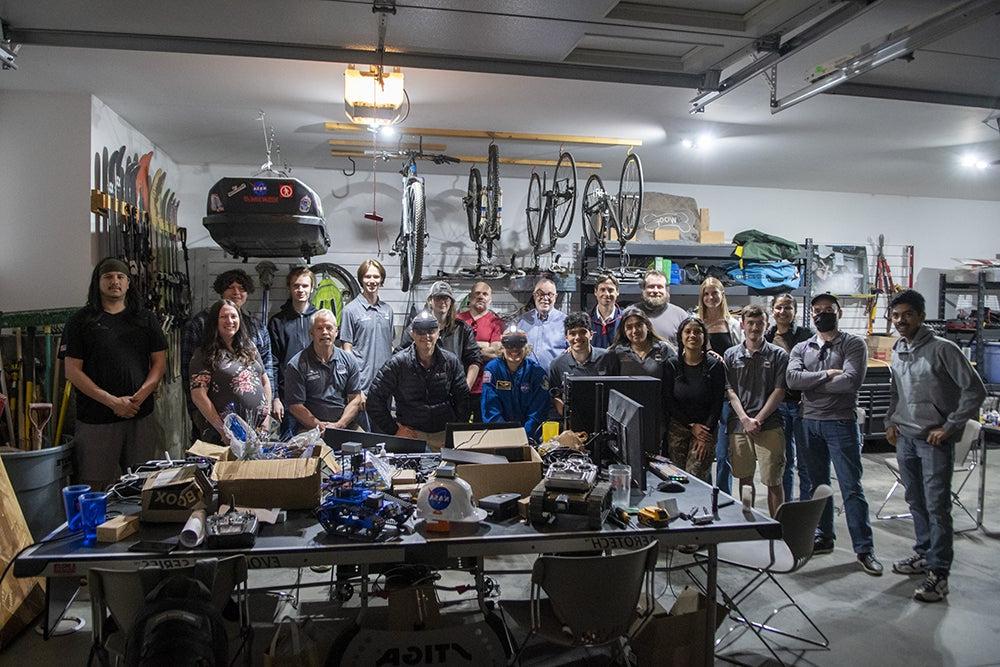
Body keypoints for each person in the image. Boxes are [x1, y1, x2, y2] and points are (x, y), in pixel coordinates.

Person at [885, 289, 985, 602]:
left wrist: (950, 426)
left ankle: (939, 573)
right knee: (915, 500)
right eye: (896, 315)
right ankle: (924, 554)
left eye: (908, 314)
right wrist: (891, 421)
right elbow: (896, 390)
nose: (901, 321)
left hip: (933, 441)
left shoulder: (944, 349)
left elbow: (974, 391)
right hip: (906, 438)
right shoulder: (898, 347)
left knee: (937, 506)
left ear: (921, 316)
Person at [787, 293, 882, 576]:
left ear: (838, 313)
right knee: (816, 486)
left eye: (828, 309)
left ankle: (864, 549)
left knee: (851, 487)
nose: (822, 314)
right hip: (808, 424)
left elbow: (851, 381)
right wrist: (827, 374)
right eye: (817, 310)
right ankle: (823, 536)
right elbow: (792, 380)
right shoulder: (802, 347)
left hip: (840, 423)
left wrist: (811, 384)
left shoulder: (853, 343)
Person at [63, 258, 167, 491]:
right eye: (108, 277)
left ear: (128, 283)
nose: (115, 282)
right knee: (97, 486)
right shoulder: (80, 322)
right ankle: (102, 528)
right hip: (96, 420)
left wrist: (140, 395)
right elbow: (72, 371)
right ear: (97, 282)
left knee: (143, 483)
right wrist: (112, 402)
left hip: (140, 415)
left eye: (120, 277)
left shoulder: (145, 319)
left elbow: (159, 364)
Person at [182, 269, 274, 434]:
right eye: (231, 287)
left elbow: (266, 377)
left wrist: (267, 418)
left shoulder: (253, 338)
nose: (236, 292)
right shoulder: (199, 330)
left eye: (241, 288)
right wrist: (202, 419)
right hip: (221, 431)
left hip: (258, 430)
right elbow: (193, 386)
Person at [367, 310, 470, 451]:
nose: (426, 336)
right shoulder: (397, 363)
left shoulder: (451, 362)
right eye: (420, 331)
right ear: (412, 334)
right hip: (411, 436)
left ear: (438, 332)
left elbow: (463, 400)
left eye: (431, 331)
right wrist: (394, 429)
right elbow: (373, 399)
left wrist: (454, 433)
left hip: (442, 436)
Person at [724, 305, 789, 517]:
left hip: (769, 425)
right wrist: (744, 419)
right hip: (739, 426)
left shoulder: (779, 355)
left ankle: (778, 528)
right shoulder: (731, 355)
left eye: (759, 323)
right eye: (750, 323)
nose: (754, 327)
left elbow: (779, 391)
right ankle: (748, 523)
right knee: (744, 478)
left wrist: (758, 419)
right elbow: (730, 390)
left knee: (774, 480)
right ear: (742, 325)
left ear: (766, 325)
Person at [189, 299, 272, 444]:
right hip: (226, 435)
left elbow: (265, 381)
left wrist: (267, 417)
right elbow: (198, 395)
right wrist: (223, 430)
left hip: (259, 431)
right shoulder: (205, 353)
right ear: (215, 321)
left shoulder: (249, 347)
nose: (230, 321)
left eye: (234, 316)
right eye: (223, 317)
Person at [696, 276, 745, 496]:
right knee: (703, 448)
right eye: (706, 294)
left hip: (726, 394)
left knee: (724, 452)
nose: (710, 297)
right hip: (703, 395)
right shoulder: (696, 323)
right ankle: (706, 492)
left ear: (722, 295)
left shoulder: (733, 325)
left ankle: (724, 496)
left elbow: (741, 357)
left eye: (714, 293)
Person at [663, 317, 726, 482]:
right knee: (677, 478)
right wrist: (691, 426)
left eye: (697, 332)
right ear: (681, 337)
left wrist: (705, 433)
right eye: (688, 331)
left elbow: (717, 402)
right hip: (679, 428)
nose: (692, 335)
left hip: (705, 430)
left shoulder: (715, 365)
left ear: (704, 337)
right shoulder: (671, 365)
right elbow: (668, 401)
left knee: (695, 477)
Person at [283, 309, 364, 437]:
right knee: (312, 454)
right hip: (310, 428)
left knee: (367, 451)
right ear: (311, 333)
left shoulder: (349, 361)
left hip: (345, 425)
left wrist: (339, 425)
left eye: (329, 327)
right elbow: (295, 406)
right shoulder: (296, 364)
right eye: (319, 328)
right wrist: (319, 426)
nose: (325, 332)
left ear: (336, 332)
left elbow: (356, 399)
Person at [765, 293, 814, 502]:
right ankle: (785, 509)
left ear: (794, 311)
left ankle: (805, 510)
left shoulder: (806, 335)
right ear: (772, 310)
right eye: (778, 307)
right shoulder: (767, 337)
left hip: (803, 405)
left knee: (806, 462)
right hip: (779, 405)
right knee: (783, 461)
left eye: (787, 308)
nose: (782, 312)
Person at [340, 259, 395, 429]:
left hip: (385, 384)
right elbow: (346, 351)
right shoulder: (350, 310)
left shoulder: (388, 310)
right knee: (365, 436)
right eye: (367, 276)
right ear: (361, 279)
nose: (372, 281)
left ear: (381, 280)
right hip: (363, 386)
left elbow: (390, 346)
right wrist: (356, 389)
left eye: (376, 277)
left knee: (384, 435)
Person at [399, 281, 482, 392]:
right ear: (430, 301)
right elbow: (400, 357)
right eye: (438, 298)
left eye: (446, 298)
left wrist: (466, 387)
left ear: (451, 302)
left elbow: (474, 360)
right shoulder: (415, 328)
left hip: (453, 393)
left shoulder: (463, 329)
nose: (443, 302)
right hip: (422, 393)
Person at [268, 266, 317, 439]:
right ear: (289, 288)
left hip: (316, 399)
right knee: (288, 451)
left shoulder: (320, 319)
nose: (300, 290)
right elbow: (272, 363)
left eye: (305, 286)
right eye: (296, 286)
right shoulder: (277, 322)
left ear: (312, 288)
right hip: (287, 400)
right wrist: (274, 398)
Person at [481, 326, 550, 443]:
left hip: (530, 437)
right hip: (499, 436)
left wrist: (523, 437)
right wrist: (506, 435)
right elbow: (490, 406)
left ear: (526, 347)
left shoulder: (537, 372)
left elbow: (538, 410)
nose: (514, 349)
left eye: (519, 344)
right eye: (509, 344)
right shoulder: (492, 369)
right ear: (502, 347)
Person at [548, 311, 620, 417]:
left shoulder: (608, 358)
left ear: (591, 334)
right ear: (566, 337)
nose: (577, 337)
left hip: (604, 419)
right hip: (572, 422)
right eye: (572, 333)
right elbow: (555, 397)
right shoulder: (557, 365)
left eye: (582, 332)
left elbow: (618, 392)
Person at [456, 281, 506, 422]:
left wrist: (467, 348)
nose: (481, 296)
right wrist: (485, 345)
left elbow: (496, 353)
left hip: (485, 387)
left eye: (485, 294)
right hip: (460, 385)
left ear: (490, 299)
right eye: (477, 293)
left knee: (482, 430)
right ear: (470, 297)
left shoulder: (496, 322)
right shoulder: (457, 320)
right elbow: (454, 351)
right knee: (457, 428)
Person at [515, 277, 567, 372]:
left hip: (555, 380)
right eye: (540, 293)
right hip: (527, 379)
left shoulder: (565, 322)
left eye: (550, 294)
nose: (545, 298)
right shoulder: (524, 320)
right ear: (534, 296)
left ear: (555, 297)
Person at [610, 305, 676, 377]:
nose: (634, 331)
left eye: (639, 325)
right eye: (629, 327)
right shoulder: (617, 352)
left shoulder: (663, 349)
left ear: (647, 327)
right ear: (624, 332)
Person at [635, 269, 688, 343]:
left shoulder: (681, 316)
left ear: (666, 290)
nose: (656, 291)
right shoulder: (630, 313)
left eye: (660, 287)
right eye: (651, 286)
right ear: (643, 289)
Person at [590, 273, 622, 349]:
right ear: (595, 292)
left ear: (617, 292)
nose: (606, 294)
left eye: (610, 290)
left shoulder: (625, 319)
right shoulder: (586, 319)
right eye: (602, 290)